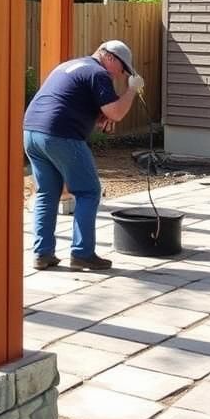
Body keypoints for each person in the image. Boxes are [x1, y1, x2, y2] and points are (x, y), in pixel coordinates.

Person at [23, 40, 144, 270]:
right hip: (60, 135)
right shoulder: (99, 73)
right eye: (122, 69)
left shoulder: (72, 65)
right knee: (88, 191)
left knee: (47, 192)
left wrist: (99, 116)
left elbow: (70, 101)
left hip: (31, 132)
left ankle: (42, 253)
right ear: (110, 57)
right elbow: (116, 112)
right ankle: (82, 253)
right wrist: (132, 89)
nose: (121, 75)